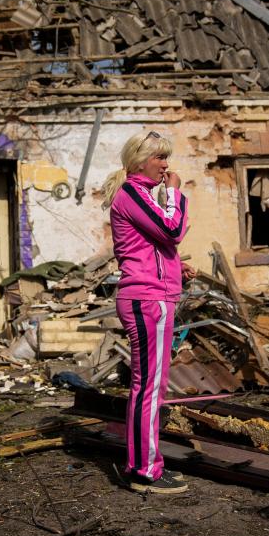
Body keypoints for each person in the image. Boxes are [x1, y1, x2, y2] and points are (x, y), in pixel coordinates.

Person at [101, 130, 193, 494]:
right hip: (147, 300)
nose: (166, 165)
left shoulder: (138, 195)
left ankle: (144, 465)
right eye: (159, 158)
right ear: (140, 160)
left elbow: (153, 247)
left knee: (149, 387)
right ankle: (144, 470)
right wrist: (175, 192)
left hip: (155, 296)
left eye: (166, 158)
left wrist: (177, 268)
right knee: (148, 389)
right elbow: (171, 229)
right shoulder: (132, 193)